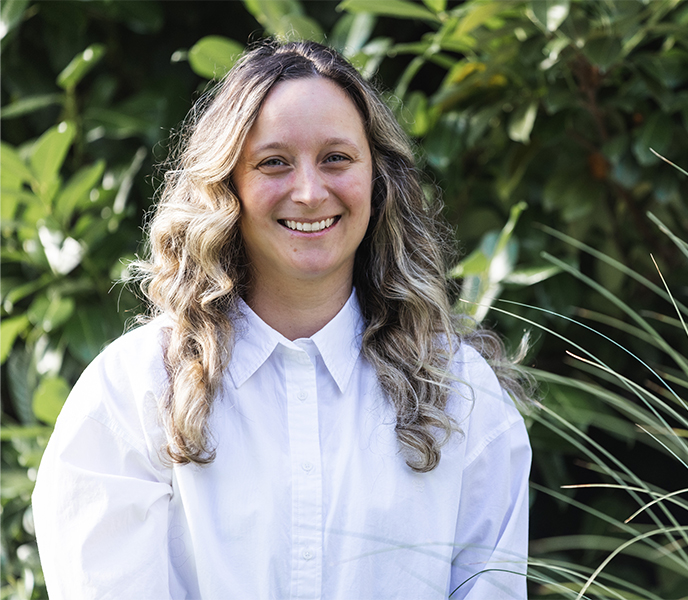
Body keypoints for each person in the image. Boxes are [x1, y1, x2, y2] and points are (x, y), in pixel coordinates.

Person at [31, 40, 532, 599]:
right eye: (274, 163)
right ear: (227, 187)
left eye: (337, 158)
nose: (311, 192)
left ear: (377, 179)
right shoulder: (133, 392)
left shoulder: (461, 395)